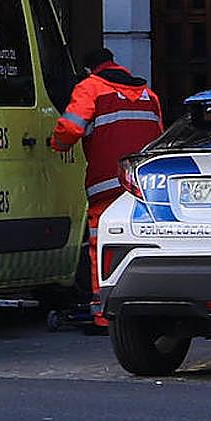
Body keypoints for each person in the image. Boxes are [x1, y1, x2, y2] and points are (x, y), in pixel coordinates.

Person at [51, 47, 163, 327]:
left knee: (101, 245)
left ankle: (103, 315)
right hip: (144, 186)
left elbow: (70, 128)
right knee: (143, 244)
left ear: (90, 69)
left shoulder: (90, 88)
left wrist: (56, 145)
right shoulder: (150, 96)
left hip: (106, 185)